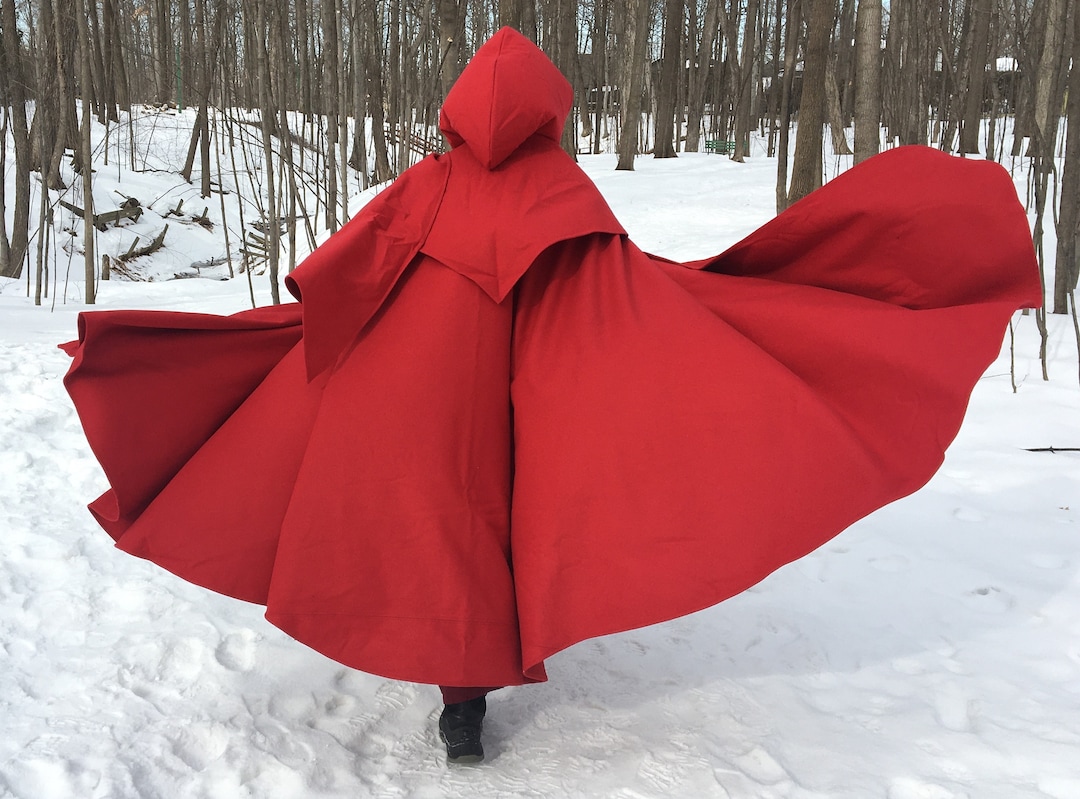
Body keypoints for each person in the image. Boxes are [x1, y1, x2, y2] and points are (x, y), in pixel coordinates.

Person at [62, 28, 1041, 765]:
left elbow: (332, 279)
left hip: (411, 402)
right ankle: (476, 691)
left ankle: (459, 701)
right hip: (525, 400)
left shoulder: (424, 188)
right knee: (510, 524)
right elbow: (622, 300)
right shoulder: (562, 195)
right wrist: (714, 323)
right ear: (546, 111)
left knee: (438, 531)